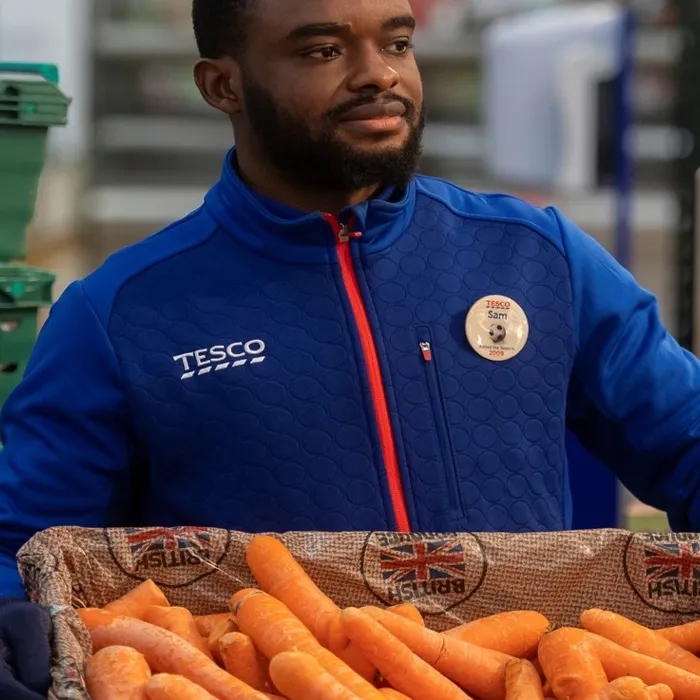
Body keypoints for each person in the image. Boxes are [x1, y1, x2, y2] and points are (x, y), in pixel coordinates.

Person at [2, 0, 700, 696]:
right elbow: (22, 548)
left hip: (525, 679)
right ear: (223, 85)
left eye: (397, 43)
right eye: (322, 52)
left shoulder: (538, 259)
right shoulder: (121, 313)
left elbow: (687, 442)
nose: (378, 75)